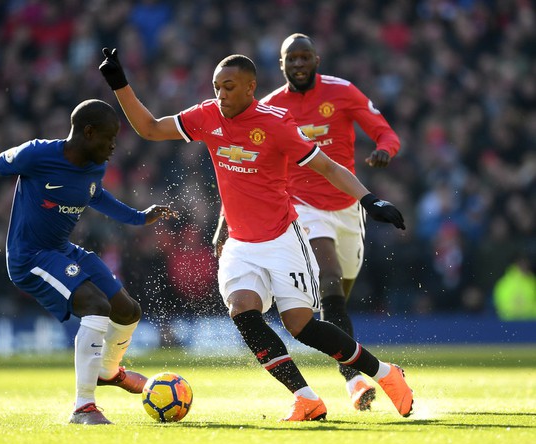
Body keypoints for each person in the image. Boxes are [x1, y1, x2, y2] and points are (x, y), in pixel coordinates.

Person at [99, 48, 414, 420]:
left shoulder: (277, 123)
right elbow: (150, 127)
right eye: (217, 87)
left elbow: (328, 167)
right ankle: (305, 397)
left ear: (251, 87)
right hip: (240, 244)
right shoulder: (207, 116)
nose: (221, 95)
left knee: (302, 327)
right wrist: (120, 85)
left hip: (283, 240)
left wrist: (370, 200)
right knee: (242, 310)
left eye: (229, 87)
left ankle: (385, 373)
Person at [0, 99, 178, 425]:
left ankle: (107, 372)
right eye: (109, 138)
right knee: (95, 306)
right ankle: (84, 407)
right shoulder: (37, 155)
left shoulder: (96, 165)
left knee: (128, 310)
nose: (114, 146)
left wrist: (139, 217)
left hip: (61, 249)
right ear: (88, 132)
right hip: (30, 257)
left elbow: (95, 195)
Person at [220, 33, 401, 411]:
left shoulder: (343, 91)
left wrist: (384, 149)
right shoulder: (269, 108)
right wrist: (225, 221)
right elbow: (241, 172)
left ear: (317, 60)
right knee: (329, 277)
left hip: (347, 206)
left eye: (305, 57)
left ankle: (352, 358)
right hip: (301, 206)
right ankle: (352, 380)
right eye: (292, 59)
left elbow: (383, 130)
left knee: (339, 292)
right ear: (282, 64)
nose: (299, 64)